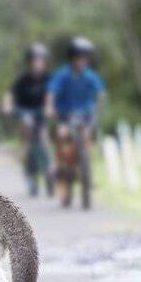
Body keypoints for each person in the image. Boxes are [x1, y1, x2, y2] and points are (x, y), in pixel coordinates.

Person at [45, 36, 106, 209]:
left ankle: (87, 173)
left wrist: (101, 100)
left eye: (85, 58)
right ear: (72, 58)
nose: (82, 61)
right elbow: (51, 92)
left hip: (85, 115)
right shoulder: (62, 75)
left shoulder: (89, 75)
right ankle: (60, 166)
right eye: (79, 57)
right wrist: (50, 107)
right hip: (65, 115)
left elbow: (100, 92)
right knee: (62, 136)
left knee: (86, 139)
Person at [2, 43, 54, 197]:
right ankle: (29, 174)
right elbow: (9, 94)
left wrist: (54, 107)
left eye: (40, 60)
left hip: (42, 113)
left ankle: (49, 171)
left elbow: (57, 92)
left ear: (44, 62)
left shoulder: (50, 78)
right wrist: (7, 106)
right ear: (30, 62)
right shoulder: (22, 80)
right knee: (27, 135)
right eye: (34, 60)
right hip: (24, 112)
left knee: (44, 137)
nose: (38, 63)